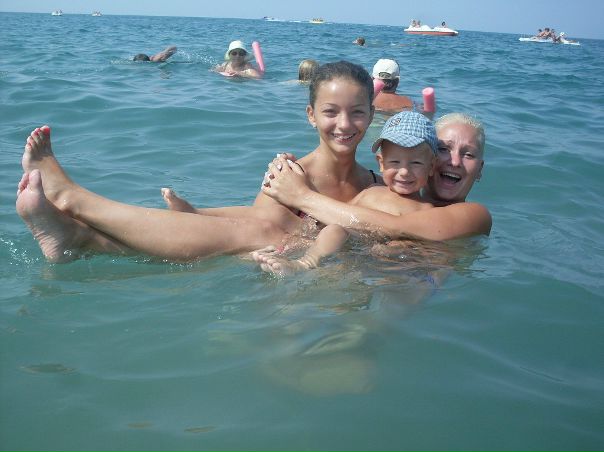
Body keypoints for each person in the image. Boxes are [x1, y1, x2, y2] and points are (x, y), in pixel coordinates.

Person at [16, 61, 379, 263]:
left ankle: (77, 235)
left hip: (296, 272)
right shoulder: (290, 174)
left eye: (357, 112)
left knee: (262, 237)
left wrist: (198, 214)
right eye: (331, 112)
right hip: (270, 267)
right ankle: (73, 201)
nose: (344, 124)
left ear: (372, 115)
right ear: (311, 115)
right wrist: (199, 214)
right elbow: (257, 221)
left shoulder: (379, 185)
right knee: (262, 234)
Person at [252, 111, 438, 275]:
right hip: (347, 244)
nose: (404, 172)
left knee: (336, 233)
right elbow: (334, 217)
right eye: (395, 162)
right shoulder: (372, 190)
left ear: (431, 167)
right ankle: (287, 254)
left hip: (375, 254)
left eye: (416, 163)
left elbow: (423, 243)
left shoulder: (427, 210)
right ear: (381, 163)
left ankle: (303, 263)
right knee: (315, 226)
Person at [260, 112, 491, 242]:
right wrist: (288, 172)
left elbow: (396, 227)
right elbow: (328, 223)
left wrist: (300, 195)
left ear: (480, 169)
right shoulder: (379, 190)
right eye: (444, 149)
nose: (454, 161)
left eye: (468, 154)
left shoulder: (475, 215)